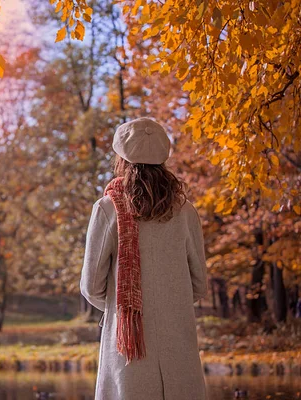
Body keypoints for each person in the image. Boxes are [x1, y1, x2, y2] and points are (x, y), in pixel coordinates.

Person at [80, 117, 208, 400]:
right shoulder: (186, 212)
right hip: (179, 346)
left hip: (128, 349)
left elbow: (90, 286)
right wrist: (170, 304)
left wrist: (124, 307)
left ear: (121, 159)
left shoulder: (106, 209)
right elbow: (199, 285)